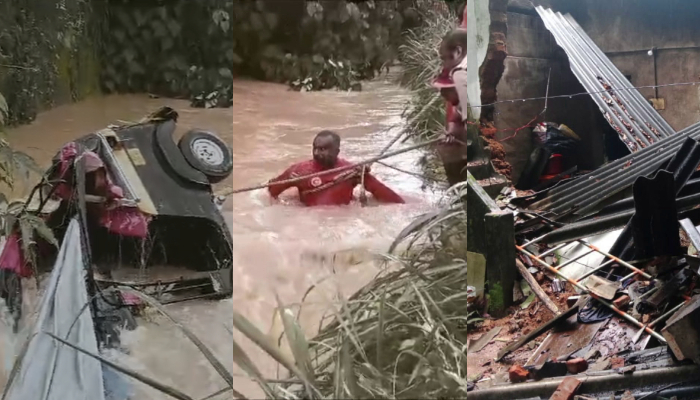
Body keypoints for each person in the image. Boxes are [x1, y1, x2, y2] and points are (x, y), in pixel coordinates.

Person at [268, 130, 405, 206]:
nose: (316, 153)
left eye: (322, 149)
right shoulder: (300, 171)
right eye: (315, 148)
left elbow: (389, 198)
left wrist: (365, 179)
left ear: (337, 151)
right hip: (310, 224)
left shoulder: (352, 171)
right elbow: (272, 190)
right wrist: (290, 182)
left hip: (341, 222)